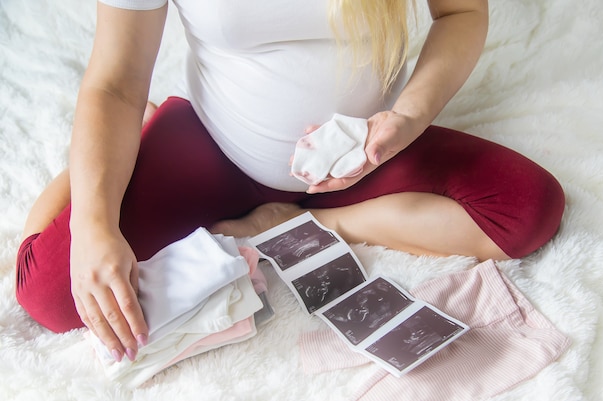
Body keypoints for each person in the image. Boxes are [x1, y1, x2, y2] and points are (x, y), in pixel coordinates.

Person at [15, 0, 565, 367]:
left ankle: (293, 221)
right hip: (211, 147)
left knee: (525, 209)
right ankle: (142, 135)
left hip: (358, 155)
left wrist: (409, 118)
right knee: (51, 295)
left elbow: (461, 9)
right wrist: (93, 227)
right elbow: (114, 82)